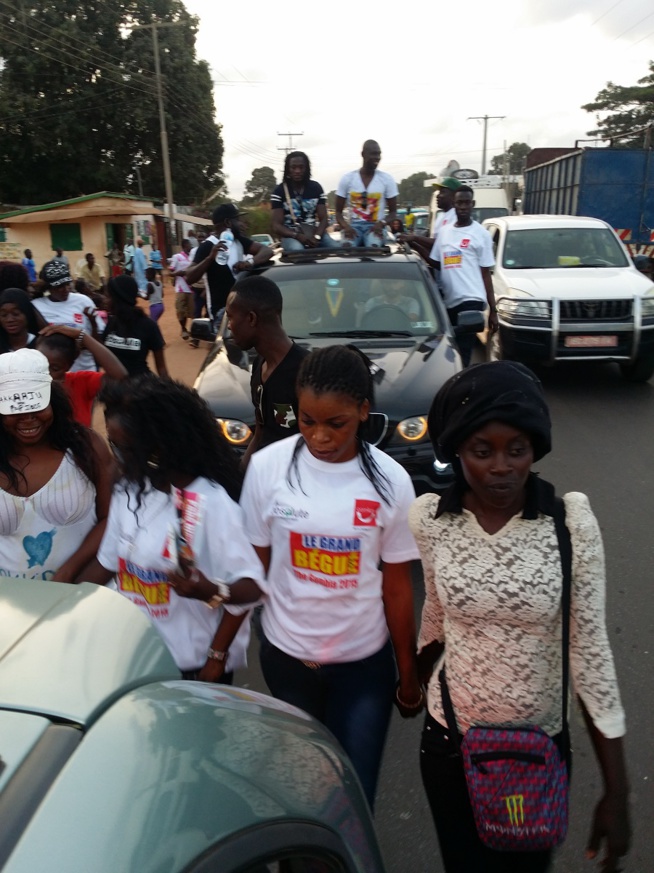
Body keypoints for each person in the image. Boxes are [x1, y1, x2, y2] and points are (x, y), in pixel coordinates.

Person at [410, 361, 630, 873]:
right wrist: (411, 680)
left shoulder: (568, 527)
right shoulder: (432, 520)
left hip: (535, 750)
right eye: (481, 452)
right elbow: (438, 614)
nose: (501, 467)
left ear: (536, 448)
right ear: (457, 451)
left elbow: (592, 657)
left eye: (517, 450)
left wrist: (618, 792)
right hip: (449, 744)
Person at [240, 345, 423, 809]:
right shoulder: (267, 468)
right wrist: (224, 634)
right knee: (302, 795)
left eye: (335, 423)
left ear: (363, 410)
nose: (319, 436)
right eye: (306, 420)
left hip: (364, 667)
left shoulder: (392, 482)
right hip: (287, 658)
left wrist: (407, 672)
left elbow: (397, 586)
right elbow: (254, 567)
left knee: (353, 797)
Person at [80, 374, 264, 682]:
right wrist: (66, 607)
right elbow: (107, 564)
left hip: (191, 667)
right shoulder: (129, 491)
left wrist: (211, 598)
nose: (116, 458)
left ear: (158, 448)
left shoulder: (211, 503)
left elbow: (251, 589)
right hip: (136, 659)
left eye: (125, 449)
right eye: (113, 444)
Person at [0, 348, 112, 582]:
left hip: (82, 595)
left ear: (53, 399)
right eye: (15, 409)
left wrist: (68, 575)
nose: (28, 417)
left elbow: (112, 519)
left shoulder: (86, 447)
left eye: (37, 405)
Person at [225, 275, 310, 467]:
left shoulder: (306, 372)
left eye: (230, 317)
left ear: (251, 318)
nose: (229, 325)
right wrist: (241, 482)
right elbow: (261, 433)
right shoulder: (259, 366)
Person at [434, 185, 498, 366]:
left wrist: (493, 311)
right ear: (454, 205)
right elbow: (437, 263)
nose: (463, 207)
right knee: (447, 353)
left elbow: (486, 274)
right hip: (449, 302)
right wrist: (412, 241)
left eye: (467, 203)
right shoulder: (445, 232)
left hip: (471, 301)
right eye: (459, 203)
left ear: (473, 204)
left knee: (463, 353)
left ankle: (461, 390)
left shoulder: (481, 235)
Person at [186, 204, 274, 326]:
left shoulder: (239, 241)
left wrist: (249, 262)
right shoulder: (207, 246)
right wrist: (210, 258)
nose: (241, 224)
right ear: (228, 223)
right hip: (221, 316)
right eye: (237, 220)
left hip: (243, 312)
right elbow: (189, 277)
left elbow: (267, 251)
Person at [36, 323, 128, 427]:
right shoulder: (25, 383)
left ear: (69, 365)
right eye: (40, 364)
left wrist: (83, 336)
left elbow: (120, 375)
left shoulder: (80, 382)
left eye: (55, 368)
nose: (46, 372)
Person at [32, 260, 104, 373]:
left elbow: (99, 342)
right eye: (60, 286)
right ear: (49, 288)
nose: (66, 289)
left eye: (67, 284)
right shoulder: (37, 306)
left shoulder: (83, 301)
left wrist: (93, 324)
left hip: (84, 372)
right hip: (53, 376)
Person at [335, 140, 398, 248]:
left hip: (376, 227)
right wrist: (346, 227)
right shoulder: (348, 179)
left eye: (379, 154)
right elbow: (338, 212)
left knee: (373, 247)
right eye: (373, 154)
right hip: (354, 227)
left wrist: (382, 223)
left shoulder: (387, 179)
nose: (377, 157)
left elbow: (393, 213)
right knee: (347, 248)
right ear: (363, 154)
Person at [102, 275, 168, 378]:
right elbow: (101, 353)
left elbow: (162, 369)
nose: (105, 301)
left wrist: (167, 391)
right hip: (113, 390)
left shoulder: (148, 326)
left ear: (119, 299)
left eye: (108, 297)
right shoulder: (112, 323)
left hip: (139, 390)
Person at [271, 151, 336, 252]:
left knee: (337, 248)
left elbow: (324, 219)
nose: (297, 171)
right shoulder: (279, 191)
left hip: (314, 233)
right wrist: (297, 236)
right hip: (291, 236)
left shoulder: (316, 188)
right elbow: (276, 225)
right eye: (293, 167)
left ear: (307, 169)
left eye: (301, 167)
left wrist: (317, 237)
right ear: (288, 169)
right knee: (298, 250)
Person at [400, 177, 462, 266]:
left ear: (454, 196)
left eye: (442, 192)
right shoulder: (442, 216)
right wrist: (413, 243)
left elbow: (440, 244)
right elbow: (434, 250)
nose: (438, 195)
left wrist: (415, 238)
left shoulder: (455, 217)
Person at [0, 288, 46, 354]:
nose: (9, 319)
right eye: (4, 315)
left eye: (16, 314)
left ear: (27, 314)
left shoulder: (42, 345)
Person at [168, 239, 194, 340]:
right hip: (181, 289)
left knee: (192, 312)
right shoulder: (177, 257)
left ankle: (192, 330)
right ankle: (183, 329)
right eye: (188, 245)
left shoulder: (192, 257)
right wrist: (177, 274)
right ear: (184, 246)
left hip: (191, 289)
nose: (190, 247)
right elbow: (170, 272)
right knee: (181, 310)